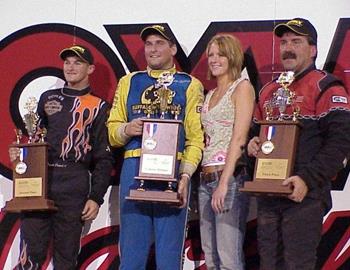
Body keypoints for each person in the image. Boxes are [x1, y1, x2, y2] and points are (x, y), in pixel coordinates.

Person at [247, 18, 350, 269]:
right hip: (269, 194)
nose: (287, 48)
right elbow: (255, 134)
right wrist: (251, 145)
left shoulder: (325, 86)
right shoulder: (269, 90)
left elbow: (341, 143)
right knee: (269, 264)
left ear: (313, 49)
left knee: (297, 264)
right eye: (283, 43)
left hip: (304, 194)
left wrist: (306, 178)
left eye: (296, 41)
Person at [107, 25, 204, 269]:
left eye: (160, 43)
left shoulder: (190, 85)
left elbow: (195, 138)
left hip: (173, 172)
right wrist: (127, 129)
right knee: (132, 252)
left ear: (173, 49)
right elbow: (112, 132)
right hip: (133, 168)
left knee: (170, 254)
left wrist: (185, 175)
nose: (153, 49)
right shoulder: (129, 81)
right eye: (149, 44)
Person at [10, 45, 113, 270]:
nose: (71, 67)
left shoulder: (99, 107)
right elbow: (35, 140)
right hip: (41, 181)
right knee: (30, 254)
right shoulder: (48, 98)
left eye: (77, 62)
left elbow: (104, 159)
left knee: (66, 257)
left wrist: (95, 197)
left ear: (91, 68)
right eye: (67, 62)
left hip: (74, 182)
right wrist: (20, 153)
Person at [198, 34, 255, 270]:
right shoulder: (209, 94)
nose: (214, 59)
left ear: (232, 56)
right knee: (210, 256)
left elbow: (239, 137)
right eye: (211, 54)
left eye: (220, 53)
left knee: (228, 256)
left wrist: (224, 182)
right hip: (204, 178)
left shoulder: (242, 88)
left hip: (228, 178)